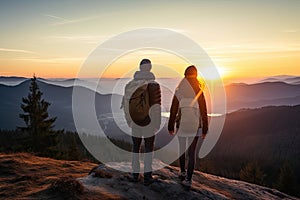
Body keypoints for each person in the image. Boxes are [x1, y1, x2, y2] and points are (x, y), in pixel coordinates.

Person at [122, 59, 161, 185]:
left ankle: (135, 175)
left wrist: (129, 120)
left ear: (139, 68)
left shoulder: (130, 85)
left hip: (135, 122)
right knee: (149, 149)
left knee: (135, 147)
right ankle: (147, 177)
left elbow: (126, 104)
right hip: (149, 122)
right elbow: (156, 106)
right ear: (150, 68)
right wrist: (157, 123)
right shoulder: (154, 85)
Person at [168, 65, 208, 188]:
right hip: (195, 126)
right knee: (192, 153)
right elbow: (203, 111)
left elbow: (173, 110)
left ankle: (182, 172)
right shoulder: (199, 91)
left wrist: (171, 126)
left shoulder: (179, 91)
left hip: (182, 124)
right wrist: (205, 128)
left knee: (181, 149)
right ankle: (189, 180)